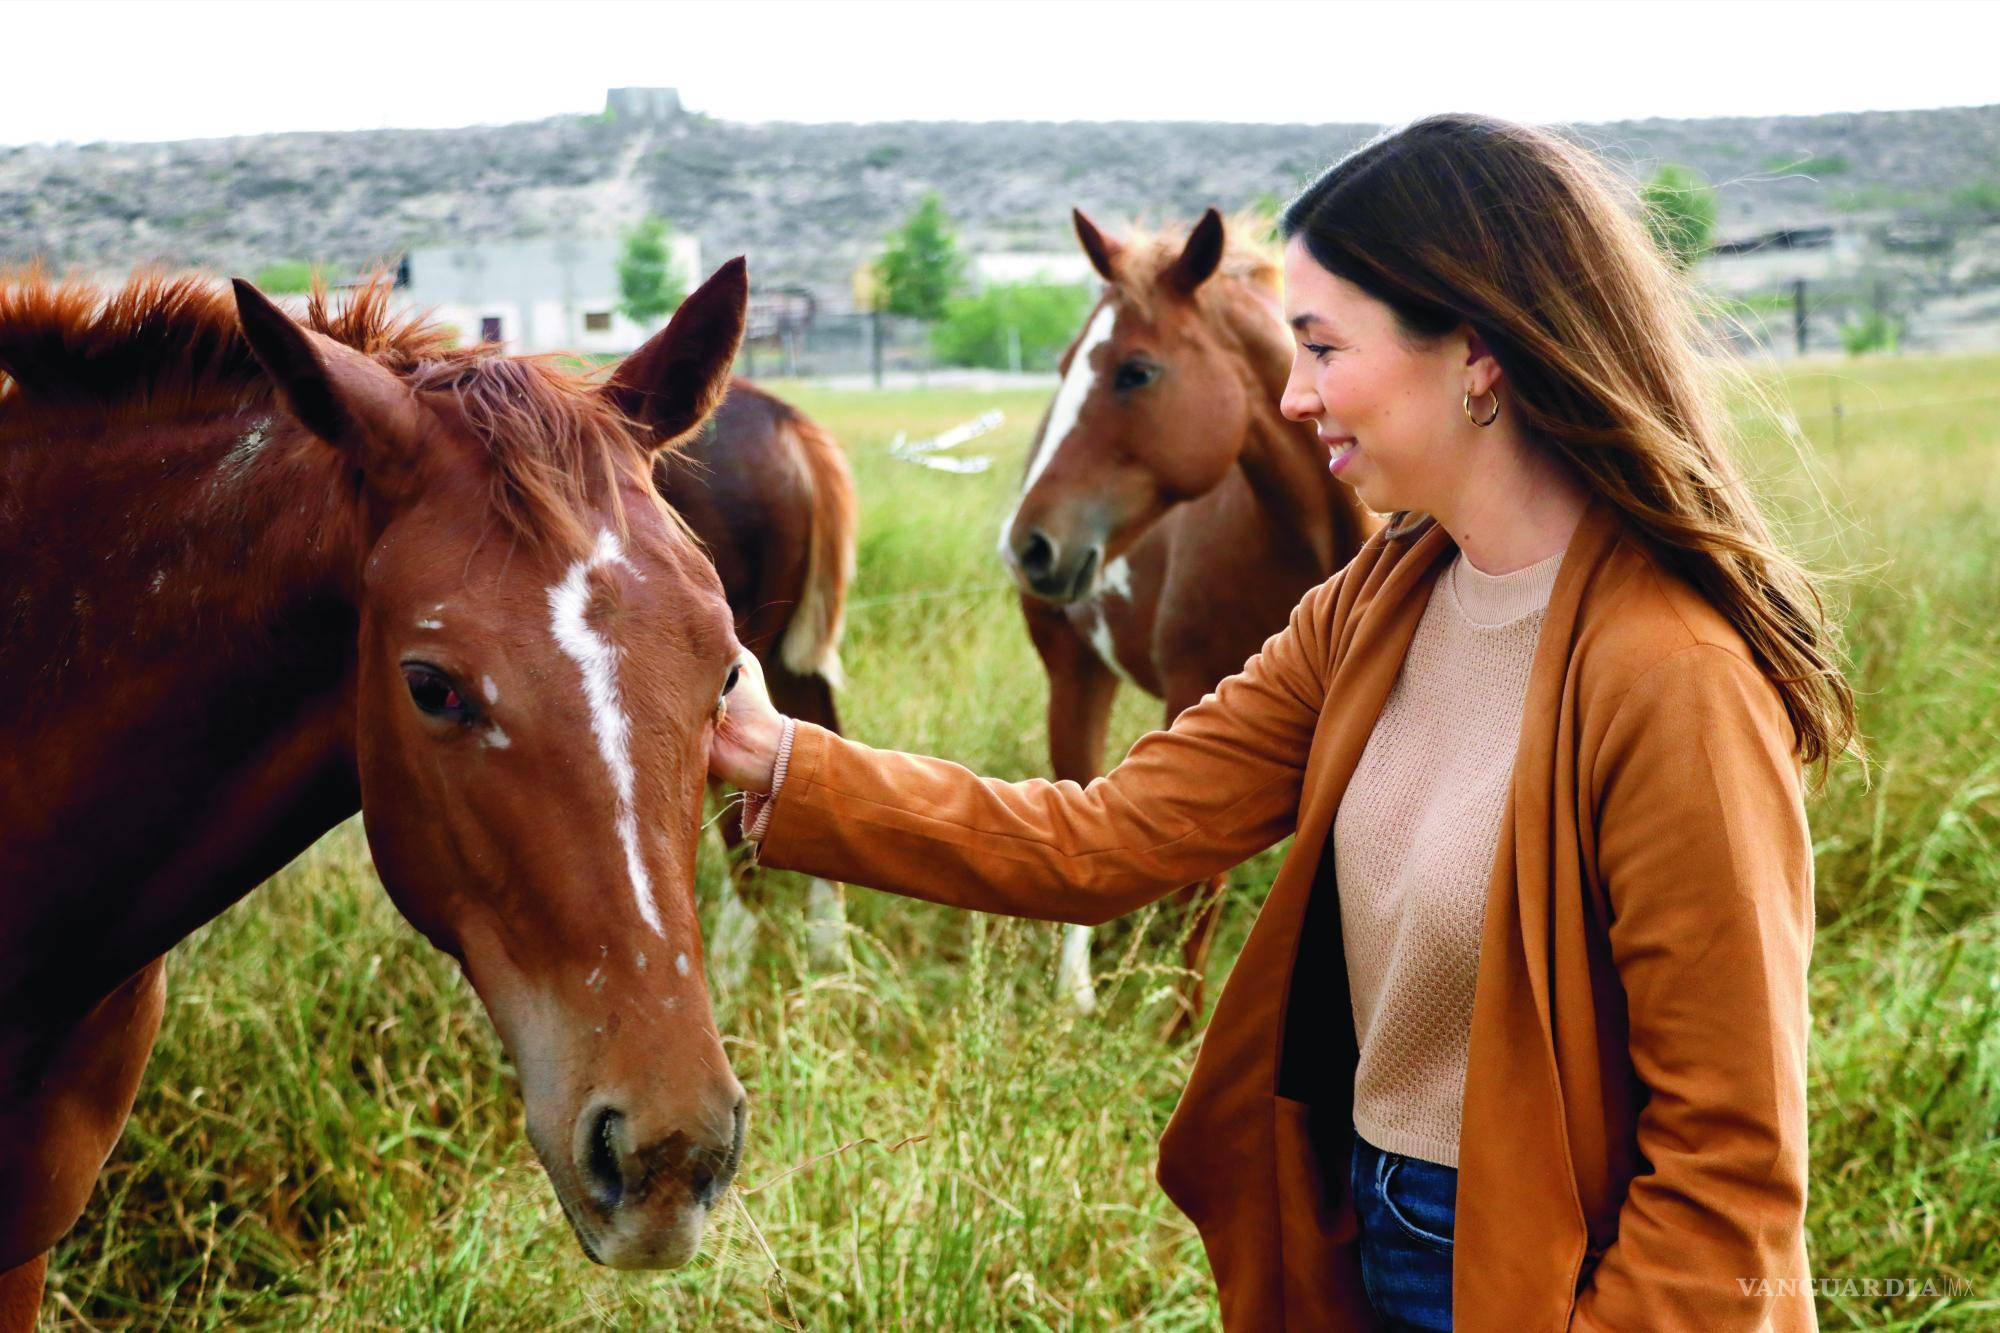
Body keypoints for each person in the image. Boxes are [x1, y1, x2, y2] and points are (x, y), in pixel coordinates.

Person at [707, 113, 1854, 1332]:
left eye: (1319, 347)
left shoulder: (1671, 673)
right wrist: (776, 758)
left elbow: (1727, 1170)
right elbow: (1101, 841)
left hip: (1542, 1268)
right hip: (1353, 1231)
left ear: (1475, 354)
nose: (1293, 396)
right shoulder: (1375, 606)